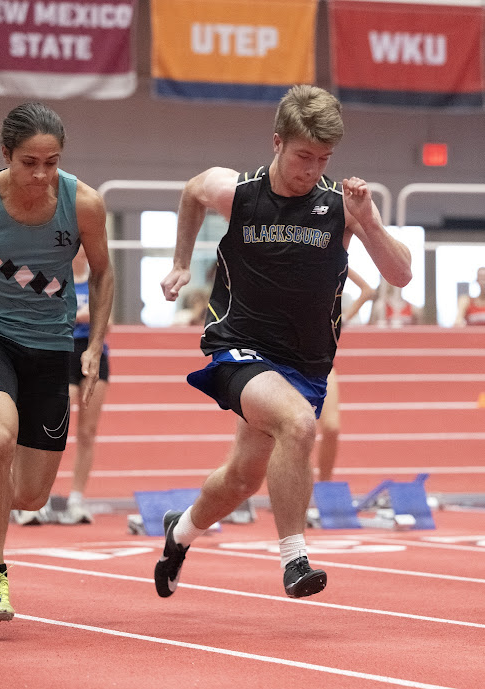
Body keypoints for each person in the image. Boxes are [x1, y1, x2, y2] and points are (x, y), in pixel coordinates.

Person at [153, 84, 412, 600]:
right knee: (298, 424)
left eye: (323, 159)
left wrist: (371, 220)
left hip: (305, 364)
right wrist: (182, 261)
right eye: (302, 157)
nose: (312, 170)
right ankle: (295, 560)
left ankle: (179, 534)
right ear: (277, 142)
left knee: (241, 480)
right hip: (238, 347)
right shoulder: (240, 193)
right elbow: (193, 191)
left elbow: (400, 275)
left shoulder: (341, 205)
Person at [0, 102, 114, 621]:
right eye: (29, 162)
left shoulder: (82, 203)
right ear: (5, 155)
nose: (42, 174)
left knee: (28, 495)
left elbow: (106, 274)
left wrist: (92, 346)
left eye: (52, 161)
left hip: (51, 346)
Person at [16, 244, 111, 525]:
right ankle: (29, 501)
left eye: (85, 247)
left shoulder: (98, 278)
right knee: (51, 424)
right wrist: (85, 316)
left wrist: (82, 317)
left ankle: (76, 500)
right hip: (62, 351)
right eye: (79, 247)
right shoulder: (59, 276)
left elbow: (109, 323)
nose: (83, 251)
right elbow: (48, 315)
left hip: (95, 354)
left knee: (88, 431)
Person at [316, 268, 375, 482]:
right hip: (286, 362)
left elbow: (367, 290)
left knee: (331, 428)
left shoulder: (331, 256)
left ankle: (325, 486)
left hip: (322, 362)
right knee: (294, 434)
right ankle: (291, 491)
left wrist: (343, 320)